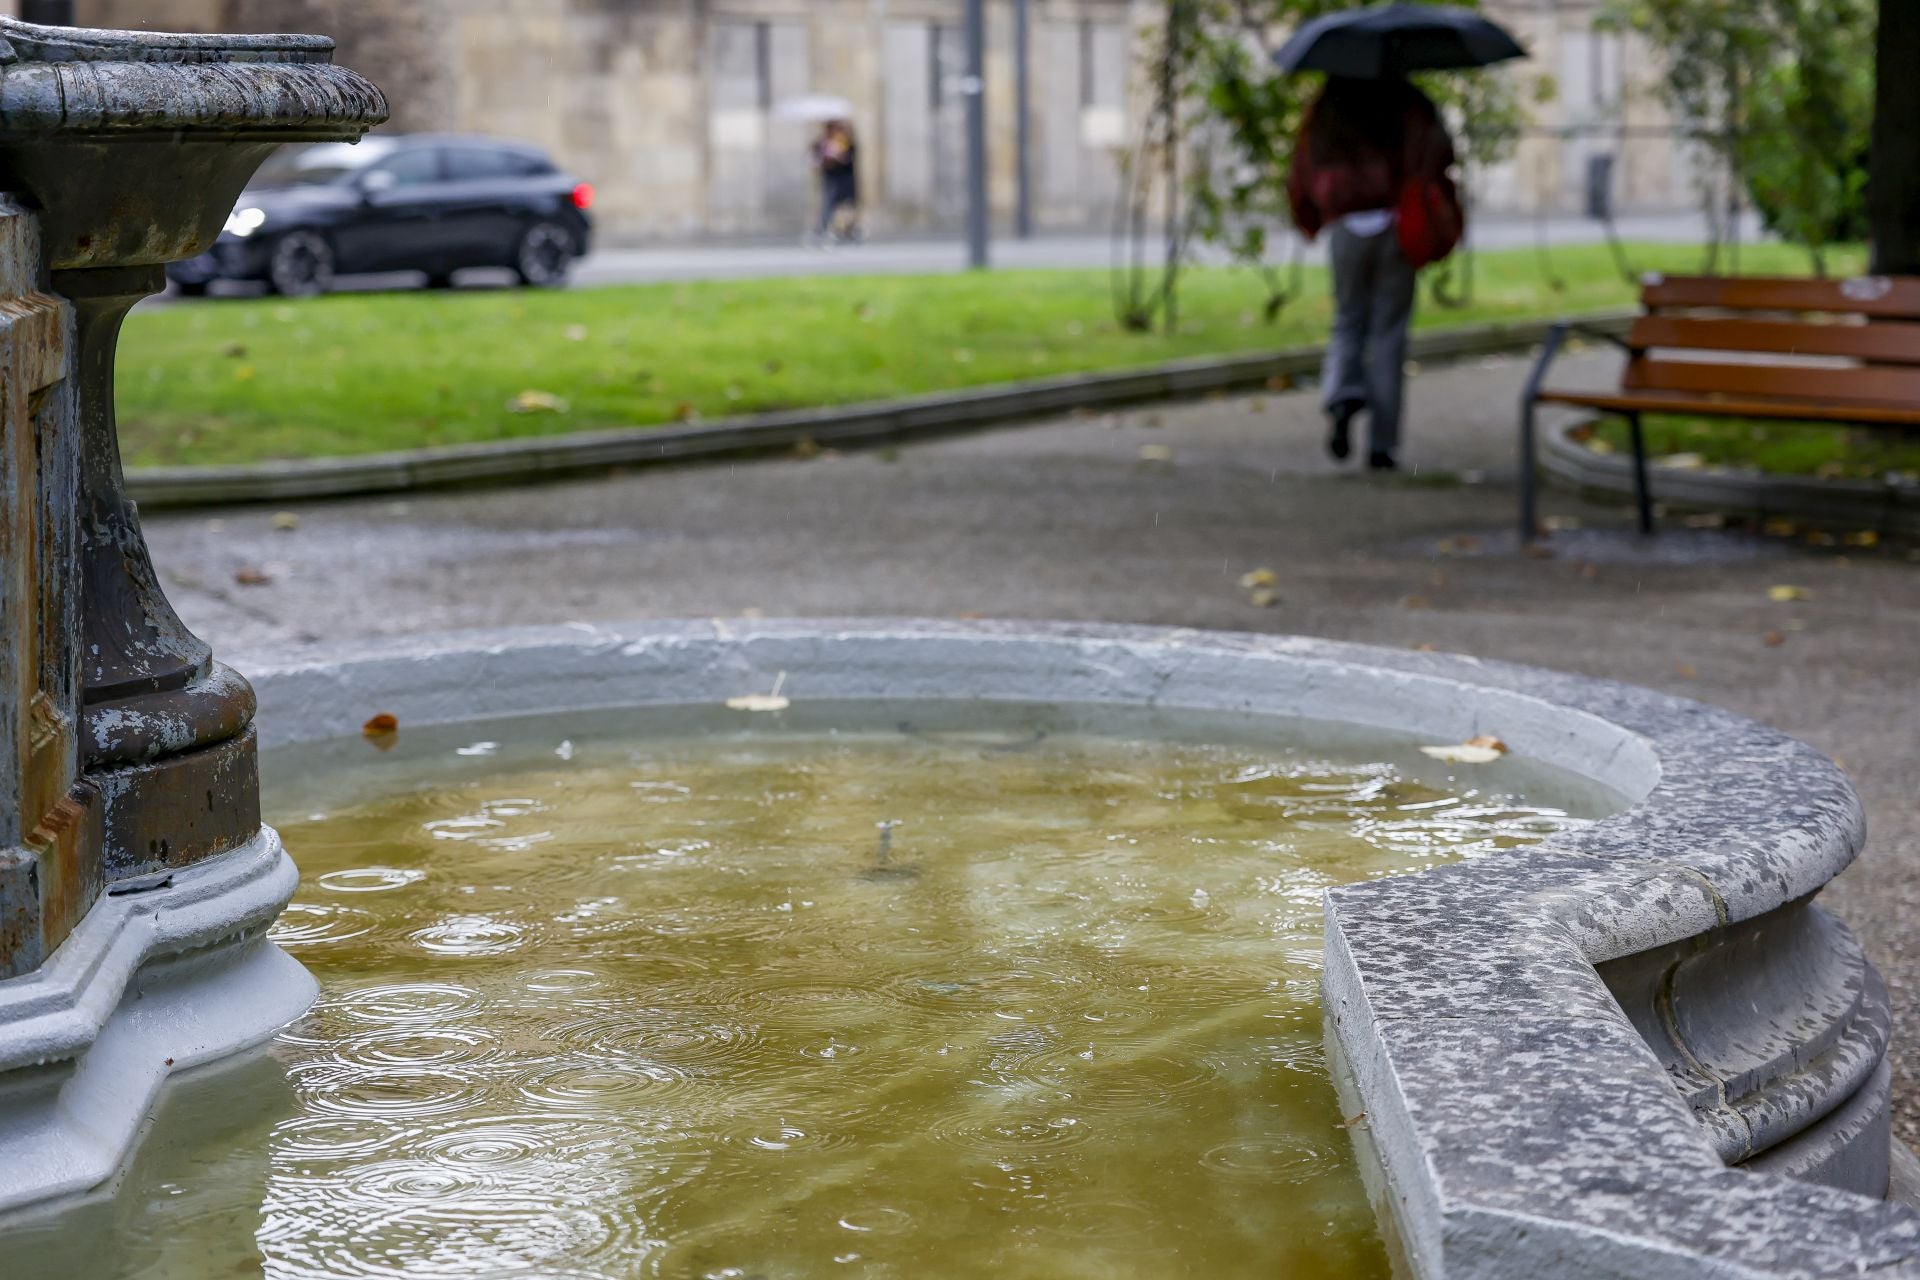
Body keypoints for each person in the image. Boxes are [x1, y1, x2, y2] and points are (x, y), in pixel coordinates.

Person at [1286, 76, 1457, 471]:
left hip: (1346, 225)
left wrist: (1309, 215)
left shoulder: (1327, 105)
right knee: (1389, 333)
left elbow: (1302, 166)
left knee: (1348, 320)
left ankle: (1342, 396)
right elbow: (1440, 153)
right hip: (1395, 223)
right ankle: (1382, 446)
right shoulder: (1409, 101)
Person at [810, 120, 861, 246]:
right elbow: (817, 158)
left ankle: (849, 231)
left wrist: (838, 157)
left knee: (847, 206)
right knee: (829, 205)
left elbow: (849, 158)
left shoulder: (846, 142)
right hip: (831, 178)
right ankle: (823, 230)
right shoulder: (823, 142)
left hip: (845, 179)